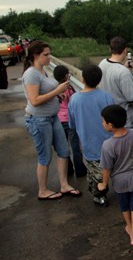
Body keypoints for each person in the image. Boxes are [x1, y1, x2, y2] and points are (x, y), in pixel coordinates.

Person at [22, 40, 81, 200]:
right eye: (46, 55)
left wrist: (57, 94)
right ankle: (43, 190)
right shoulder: (31, 74)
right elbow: (34, 100)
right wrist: (57, 90)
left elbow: (45, 92)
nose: (49, 57)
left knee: (63, 151)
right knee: (45, 156)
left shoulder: (42, 71)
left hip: (53, 117)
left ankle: (64, 185)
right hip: (39, 120)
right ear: (35, 56)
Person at [98, 104, 133, 247]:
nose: (102, 123)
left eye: (103, 121)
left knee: (125, 207)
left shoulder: (107, 145)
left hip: (119, 181)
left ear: (110, 125)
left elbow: (106, 168)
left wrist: (104, 184)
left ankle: (130, 227)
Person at [68, 64, 115, 206]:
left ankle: (99, 196)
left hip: (89, 144)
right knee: (113, 169)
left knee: (95, 173)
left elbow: (72, 124)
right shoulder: (106, 97)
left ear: (82, 79)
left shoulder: (75, 99)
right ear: (99, 80)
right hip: (109, 143)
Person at [98, 36, 133, 129]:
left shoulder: (102, 64)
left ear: (110, 49)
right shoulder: (123, 72)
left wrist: (126, 69)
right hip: (125, 119)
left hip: (109, 116)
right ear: (125, 50)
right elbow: (132, 99)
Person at [53, 65, 87, 178]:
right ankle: (80, 170)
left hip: (59, 120)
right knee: (75, 146)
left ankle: (68, 170)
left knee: (63, 147)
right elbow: (73, 103)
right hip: (70, 121)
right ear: (65, 76)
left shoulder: (54, 88)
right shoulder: (68, 88)